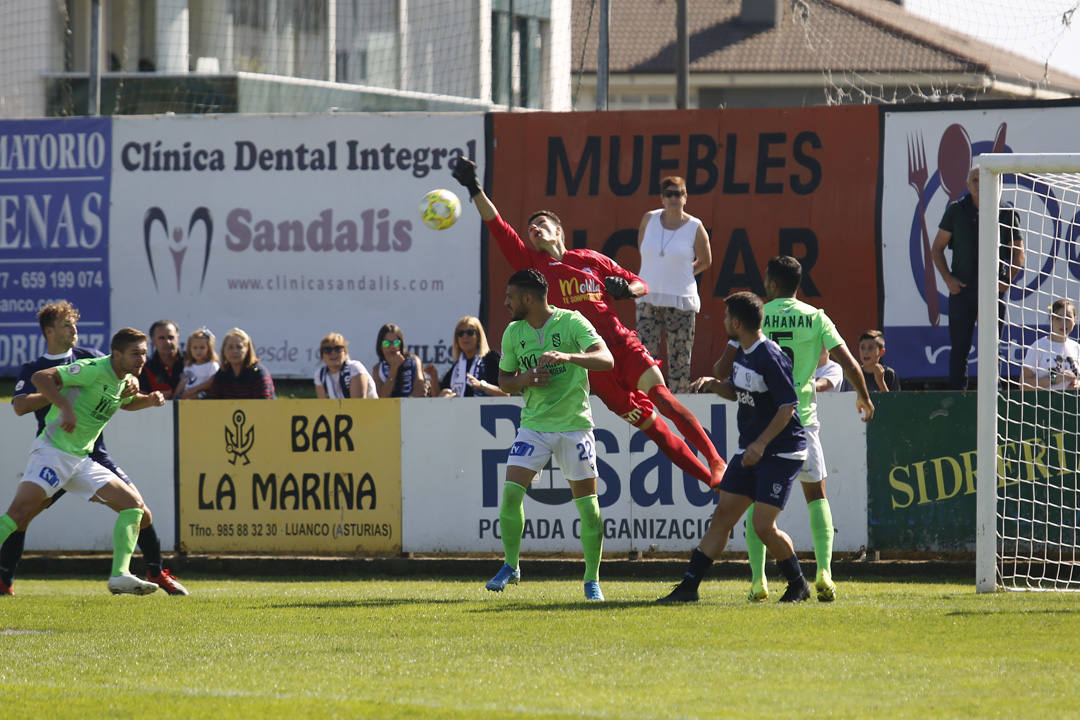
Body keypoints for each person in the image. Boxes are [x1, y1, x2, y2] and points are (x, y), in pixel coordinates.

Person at [452, 158, 727, 489]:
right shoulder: (533, 267)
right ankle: (715, 485)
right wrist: (475, 189)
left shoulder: (590, 259)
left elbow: (640, 284)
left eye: (541, 223)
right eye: (530, 229)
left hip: (621, 344)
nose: (534, 229)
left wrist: (627, 289)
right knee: (655, 430)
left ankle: (715, 461)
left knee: (663, 398)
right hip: (592, 365)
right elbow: (498, 226)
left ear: (559, 231)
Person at [710, 256, 874, 602]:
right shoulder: (816, 318)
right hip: (802, 423)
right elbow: (847, 360)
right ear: (798, 284)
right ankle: (825, 573)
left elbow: (723, 370)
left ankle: (758, 581)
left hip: (762, 424)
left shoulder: (757, 315)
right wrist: (864, 396)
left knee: (756, 503)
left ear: (770, 284)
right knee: (817, 495)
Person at [2, 303, 188, 596]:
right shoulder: (44, 368)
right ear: (49, 331)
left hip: (89, 455)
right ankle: (5, 581)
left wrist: (138, 387)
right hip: (55, 451)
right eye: (67, 325)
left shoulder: (93, 357)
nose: (74, 330)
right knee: (19, 516)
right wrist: (62, 402)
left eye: (75, 324)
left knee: (137, 509)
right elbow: (21, 405)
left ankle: (131, 574)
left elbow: (121, 382)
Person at [659, 292, 809, 603]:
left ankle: (798, 584)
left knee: (763, 526)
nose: (724, 321)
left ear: (737, 323)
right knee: (723, 516)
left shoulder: (770, 355)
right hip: (751, 450)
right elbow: (740, 392)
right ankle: (689, 587)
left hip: (781, 451)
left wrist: (761, 444)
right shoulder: (742, 352)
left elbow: (788, 407)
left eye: (727, 318)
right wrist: (715, 386)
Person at [486, 269, 614, 601]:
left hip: (574, 426)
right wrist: (525, 379)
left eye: (510, 297)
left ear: (527, 298)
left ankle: (591, 581)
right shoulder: (513, 332)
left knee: (588, 509)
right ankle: (511, 566)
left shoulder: (572, 322)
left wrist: (569, 356)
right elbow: (504, 381)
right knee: (511, 495)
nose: (506, 302)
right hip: (533, 427)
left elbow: (606, 359)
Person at [932, 165, 1025, 390]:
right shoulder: (956, 210)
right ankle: (956, 398)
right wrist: (947, 279)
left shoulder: (1006, 212)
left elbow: (1019, 253)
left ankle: (994, 395)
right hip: (962, 290)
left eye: (983, 179)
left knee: (992, 347)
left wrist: (1006, 281)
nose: (979, 183)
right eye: (974, 179)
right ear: (967, 184)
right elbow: (937, 248)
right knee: (960, 348)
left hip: (993, 291)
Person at [634, 175, 712, 393]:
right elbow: (643, 249)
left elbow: (706, 261)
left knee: (680, 363)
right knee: (644, 358)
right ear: (662, 198)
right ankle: (647, 403)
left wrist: (685, 272)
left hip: (681, 301)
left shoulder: (695, 226)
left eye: (679, 193)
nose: (674, 198)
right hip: (648, 298)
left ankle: (678, 407)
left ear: (685, 197)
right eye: (669, 194)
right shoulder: (648, 219)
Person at [424, 316, 508, 398]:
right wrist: (434, 377)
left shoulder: (491, 359)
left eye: (470, 332)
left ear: (478, 336)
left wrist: (482, 385)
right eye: (460, 333)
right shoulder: (456, 368)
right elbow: (437, 398)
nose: (465, 336)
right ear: (457, 339)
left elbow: (506, 393)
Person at [1021, 299, 1080, 390]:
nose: (1063, 323)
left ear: (1074, 320)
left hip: (1071, 403)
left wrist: (1077, 384)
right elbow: (1023, 384)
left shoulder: (1076, 347)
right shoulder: (1038, 347)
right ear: (1051, 319)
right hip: (1045, 403)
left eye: (1068, 318)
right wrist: (1054, 379)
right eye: (1058, 318)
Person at [204, 328, 276, 399]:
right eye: (230, 347)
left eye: (239, 347)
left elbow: (263, 403)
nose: (235, 351)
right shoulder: (222, 373)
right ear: (224, 351)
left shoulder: (258, 373)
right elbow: (214, 401)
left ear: (247, 350)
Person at [313, 332, 378, 399]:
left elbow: (358, 404)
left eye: (338, 349)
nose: (333, 353)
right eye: (328, 350)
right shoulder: (320, 374)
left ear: (345, 352)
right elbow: (324, 405)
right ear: (322, 355)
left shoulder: (355, 368)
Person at [374, 324, 427, 398]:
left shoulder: (414, 360)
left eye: (396, 343)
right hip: (389, 408)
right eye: (386, 343)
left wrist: (404, 406)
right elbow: (382, 398)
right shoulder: (377, 369)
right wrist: (394, 368)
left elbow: (420, 390)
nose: (392, 347)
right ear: (380, 346)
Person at [139, 319, 184, 399]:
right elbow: (140, 398)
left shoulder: (192, 361)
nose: (167, 342)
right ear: (153, 341)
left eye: (171, 337)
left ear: (177, 337)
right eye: (161, 338)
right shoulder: (145, 368)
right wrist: (154, 397)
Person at [175, 327, 221, 399]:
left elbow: (211, 382)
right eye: (195, 348)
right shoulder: (188, 365)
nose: (198, 351)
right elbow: (182, 382)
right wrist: (175, 396)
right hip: (187, 395)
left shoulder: (212, 365)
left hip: (202, 395)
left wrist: (194, 389)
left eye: (202, 348)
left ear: (209, 349)